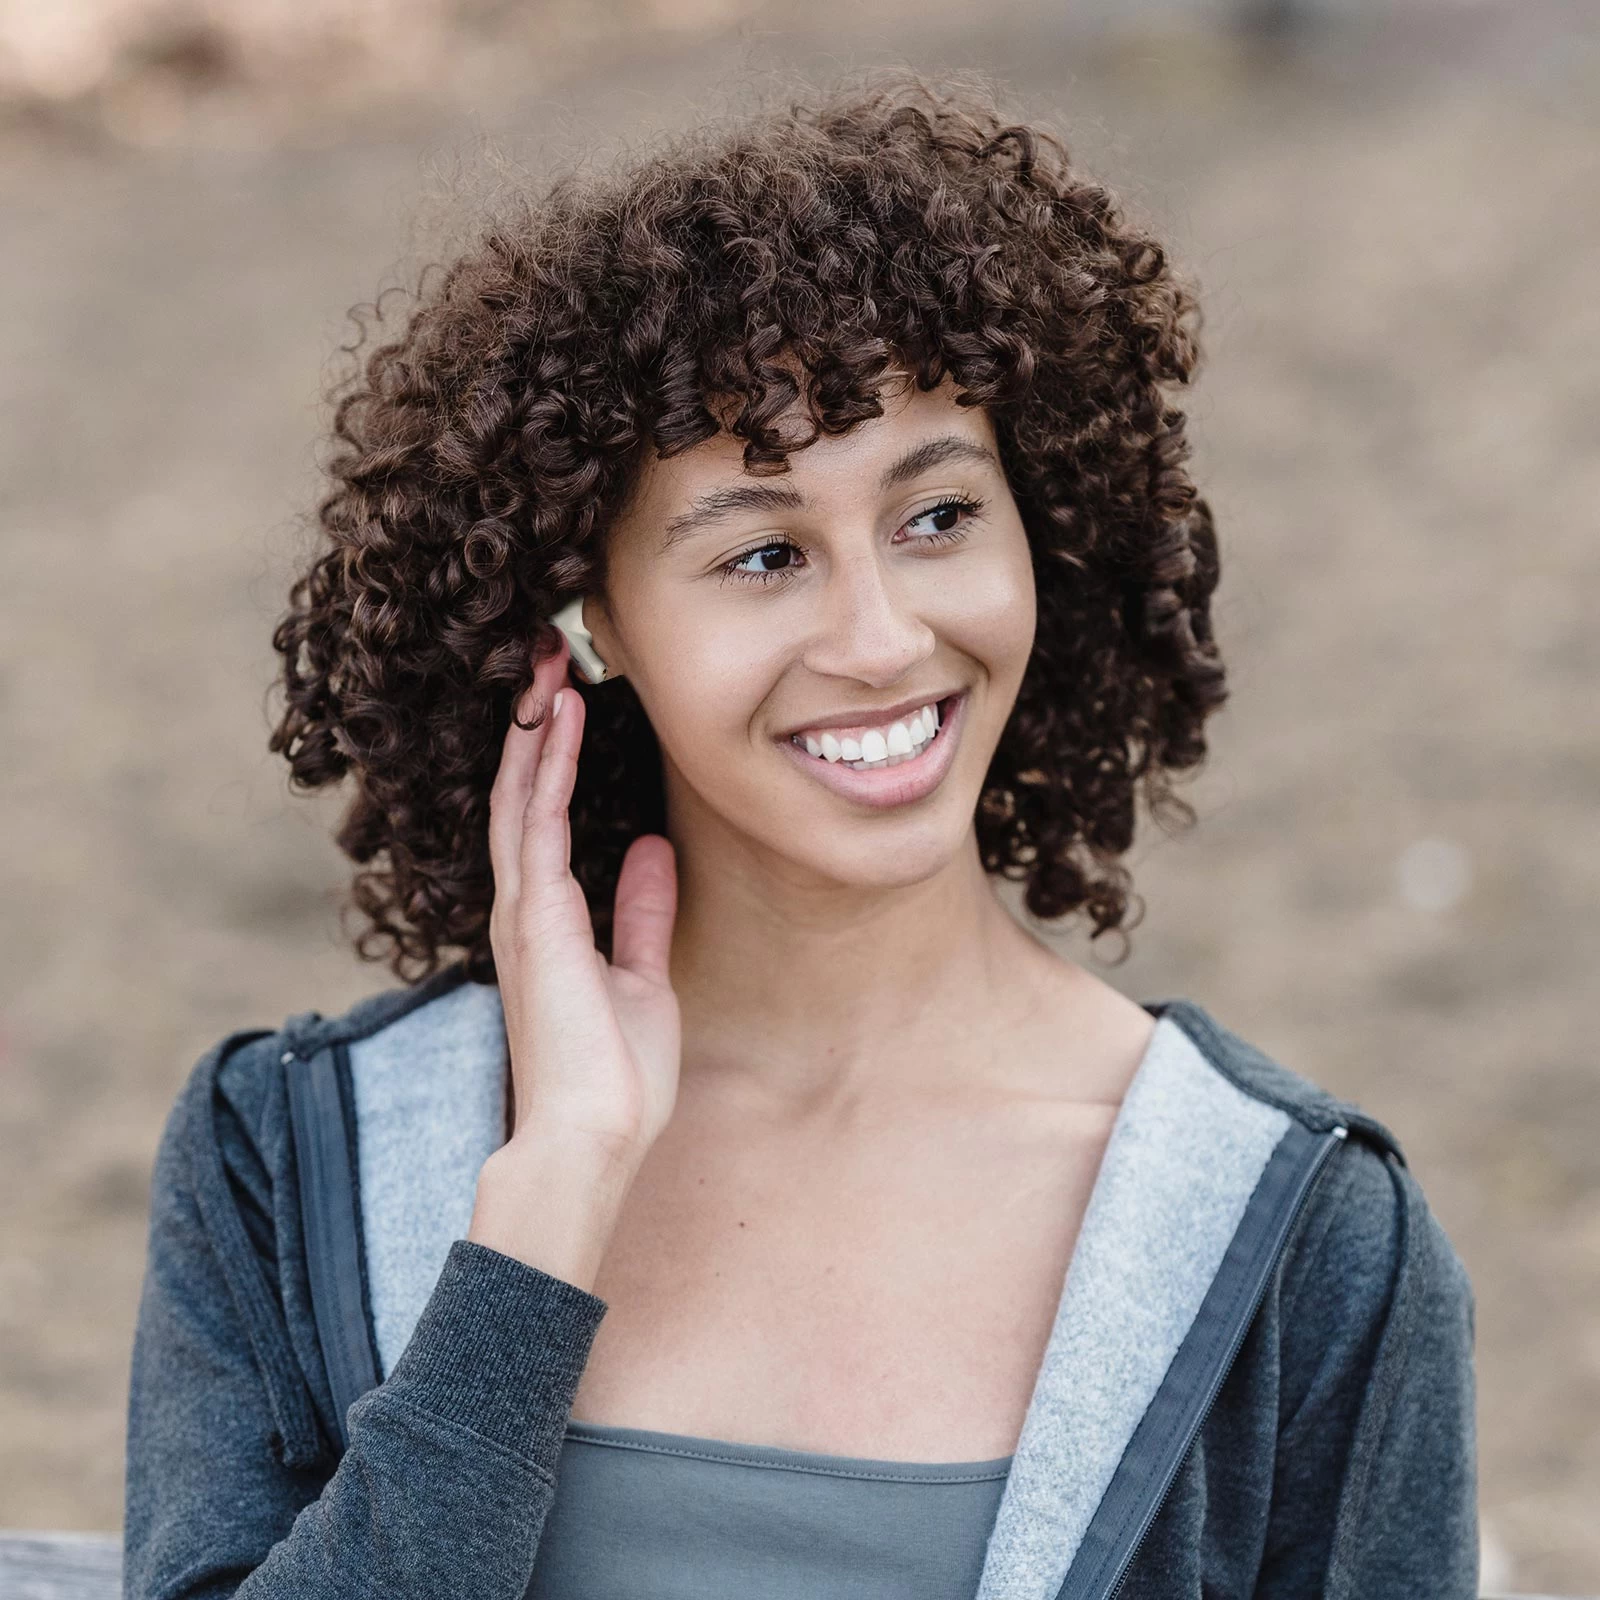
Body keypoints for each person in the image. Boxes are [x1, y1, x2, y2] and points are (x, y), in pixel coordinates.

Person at [122, 70, 1479, 1600]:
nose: (883, 637)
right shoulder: (283, 1159)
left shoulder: (1304, 1236)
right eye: (763, 554)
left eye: (938, 517)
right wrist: (546, 1208)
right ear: (595, 625)